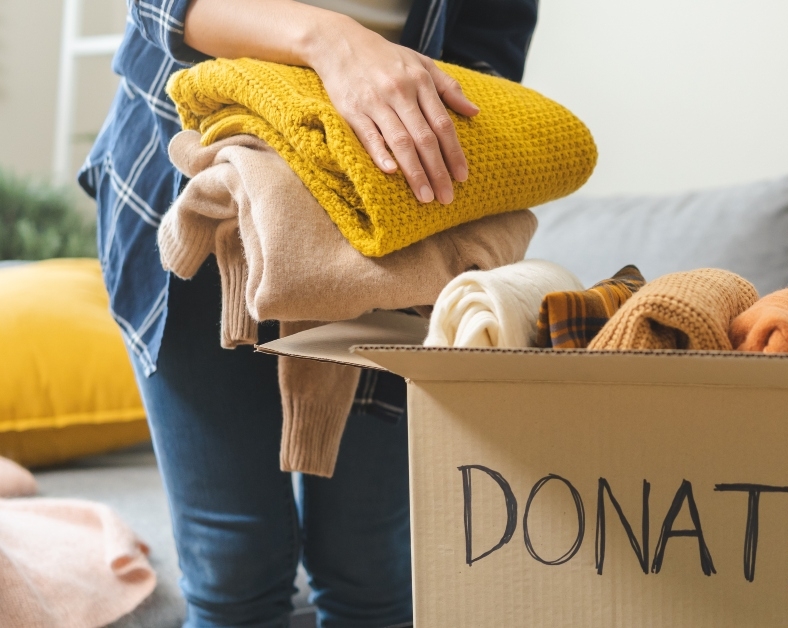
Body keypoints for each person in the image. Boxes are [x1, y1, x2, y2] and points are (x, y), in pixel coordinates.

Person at [78, 0, 537, 625]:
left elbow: (491, 40)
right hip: (195, 172)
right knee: (234, 565)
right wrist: (333, 43)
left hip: (395, 213)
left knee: (370, 567)